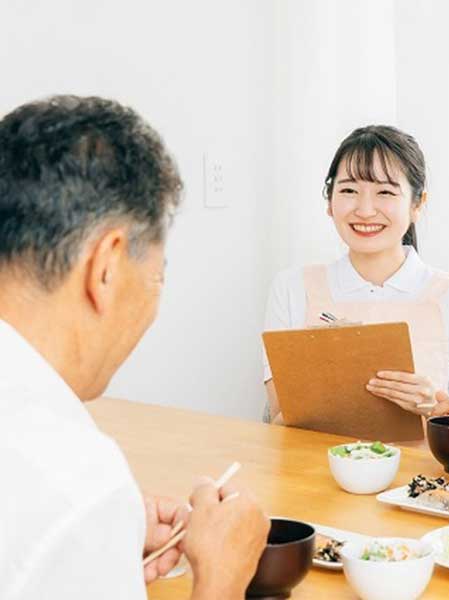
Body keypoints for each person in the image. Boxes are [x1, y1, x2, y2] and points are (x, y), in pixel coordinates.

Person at [0, 95, 270, 600]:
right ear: (107, 267)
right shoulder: (75, 483)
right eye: (158, 276)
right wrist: (222, 579)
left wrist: (100, 546)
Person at [262, 125, 449, 429]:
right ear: (329, 202)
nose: (365, 210)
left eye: (385, 192)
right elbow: (279, 422)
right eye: (348, 191)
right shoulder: (292, 288)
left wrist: (433, 410)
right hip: (309, 469)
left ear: (417, 204)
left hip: (420, 476)